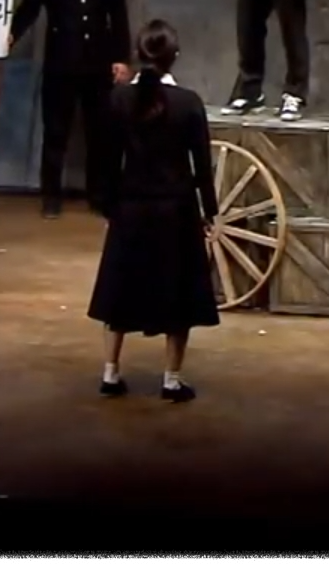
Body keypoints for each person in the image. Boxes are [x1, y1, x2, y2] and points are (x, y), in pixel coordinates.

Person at [87, 20, 220, 402]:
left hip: (130, 206)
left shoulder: (118, 99)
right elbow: (202, 165)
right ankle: (171, 380)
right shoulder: (188, 103)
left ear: (138, 53)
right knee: (178, 295)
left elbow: (106, 161)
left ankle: (110, 373)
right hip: (176, 210)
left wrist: (108, 207)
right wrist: (210, 212)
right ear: (174, 56)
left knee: (119, 290)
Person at [9, 0, 132, 218]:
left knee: (100, 133)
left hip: (98, 63)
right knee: (56, 132)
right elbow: (29, 8)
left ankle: (99, 195)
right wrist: (10, 34)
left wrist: (121, 58)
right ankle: (51, 197)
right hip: (61, 64)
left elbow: (118, 15)